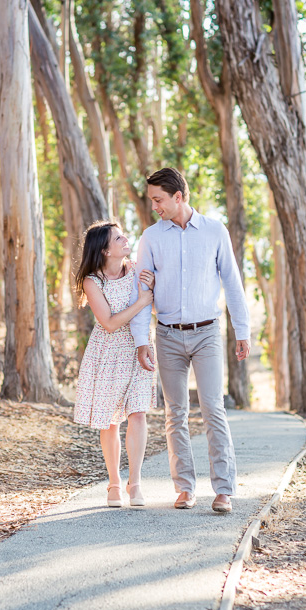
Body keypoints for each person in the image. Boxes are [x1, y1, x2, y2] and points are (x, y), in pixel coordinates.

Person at [129, 167, 251, 513]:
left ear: (178, 197)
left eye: (158, 200)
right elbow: (143, 292)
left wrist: (242, 331)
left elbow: (233, 282)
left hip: (208, 333)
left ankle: (224, 490)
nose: (154, 206)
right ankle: (184, 488)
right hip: (167, 335)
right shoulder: (151, 237)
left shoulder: (214, 231)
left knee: (213, 409)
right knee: (175, 414)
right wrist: (142, 340)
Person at [74, 220, 157, 508]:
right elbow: (108, 323)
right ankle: (113, 484)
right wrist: (142, 301)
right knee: (109, 422)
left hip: (138, 349)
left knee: (137, 413)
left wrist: (150, 294)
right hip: (107, 354)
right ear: (106, 250)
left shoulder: (135, 270)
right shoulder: (92, 281)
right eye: (118, 238)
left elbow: (153, 301)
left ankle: (135, 485)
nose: (125, 240)